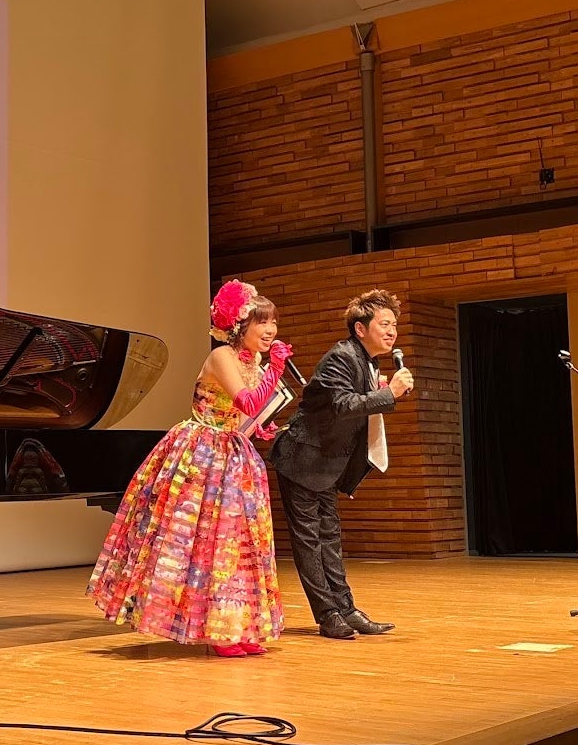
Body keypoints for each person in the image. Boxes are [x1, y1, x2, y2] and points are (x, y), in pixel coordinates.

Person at [89, 280, 291, 657]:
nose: (270, 330)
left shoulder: (251, 362)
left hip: (234, 454)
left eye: (274, 322)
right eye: (262, 322)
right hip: (203, 456)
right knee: (204, 543)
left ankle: (237, 626)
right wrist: (275, 370)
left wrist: (260, 425)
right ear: (239, 326)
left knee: (240, 543)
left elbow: (244, 415)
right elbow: (248, 402)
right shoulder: (222, 357)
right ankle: (216, 629)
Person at [269, 288, 415, 640]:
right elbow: (343, 405)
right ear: (360, 328)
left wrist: (380, 390)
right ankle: (328, 615)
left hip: (326, 464)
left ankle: (346, 609)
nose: (392, 331)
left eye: (394, 325)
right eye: (384, 324)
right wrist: (388, 394)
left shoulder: (367, 359)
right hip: (302, 460)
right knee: (310, 542)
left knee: (330, 538)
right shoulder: (341, 356)